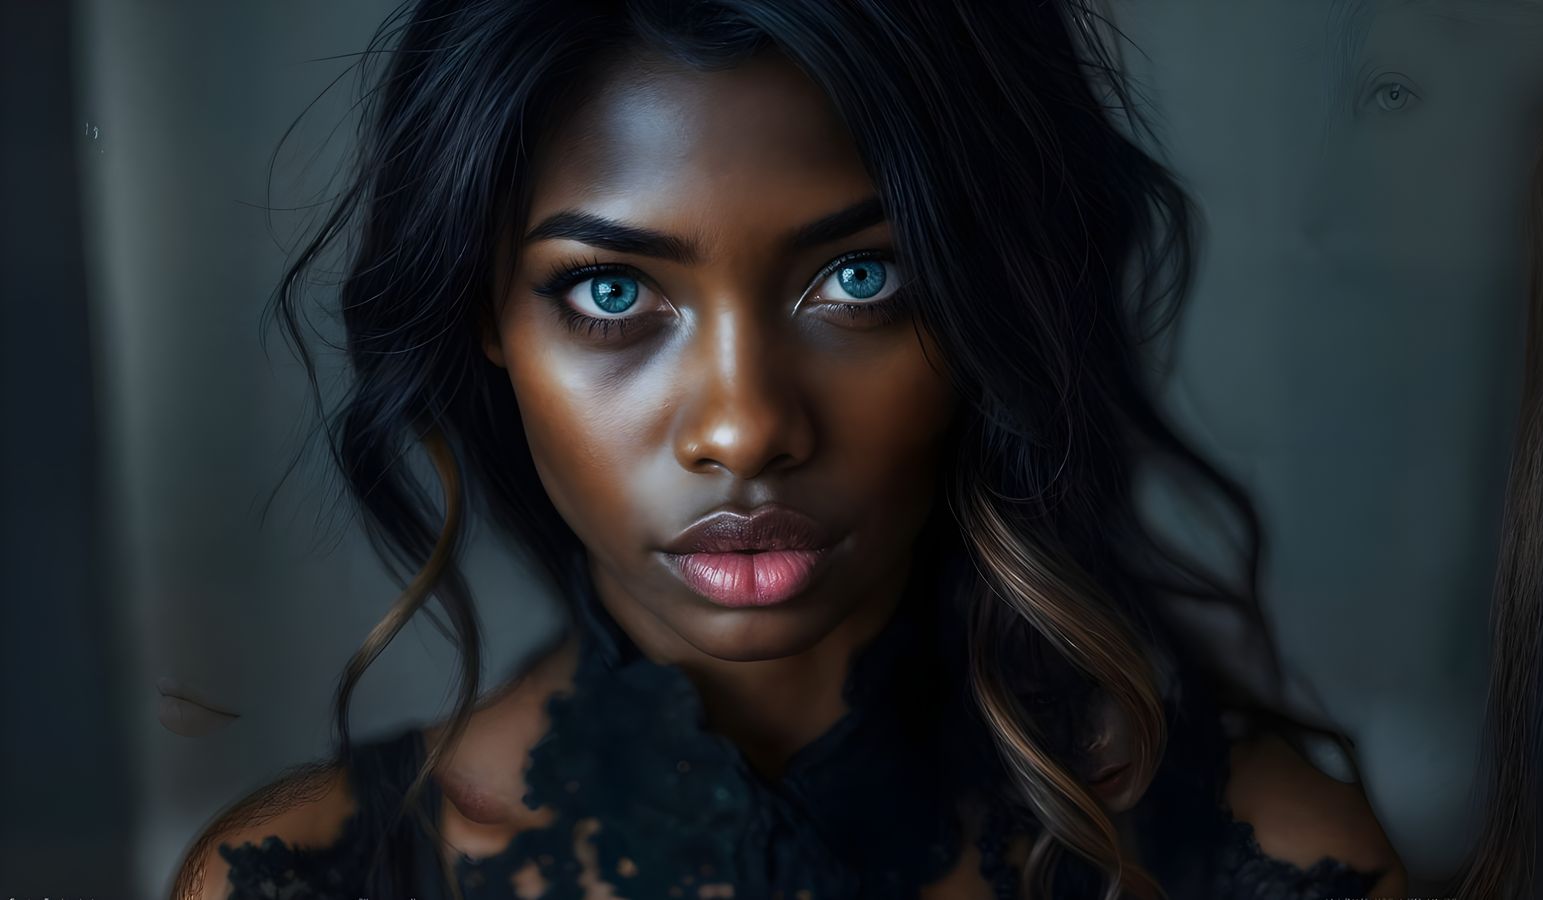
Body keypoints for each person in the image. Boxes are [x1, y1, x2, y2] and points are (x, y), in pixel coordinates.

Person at [172, 0, 1410, 897]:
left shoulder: (1272, 864)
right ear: (484, 319)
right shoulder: (297, 878)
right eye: (610, 295)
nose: (744, 426)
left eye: (860, 278)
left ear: (991, 311)